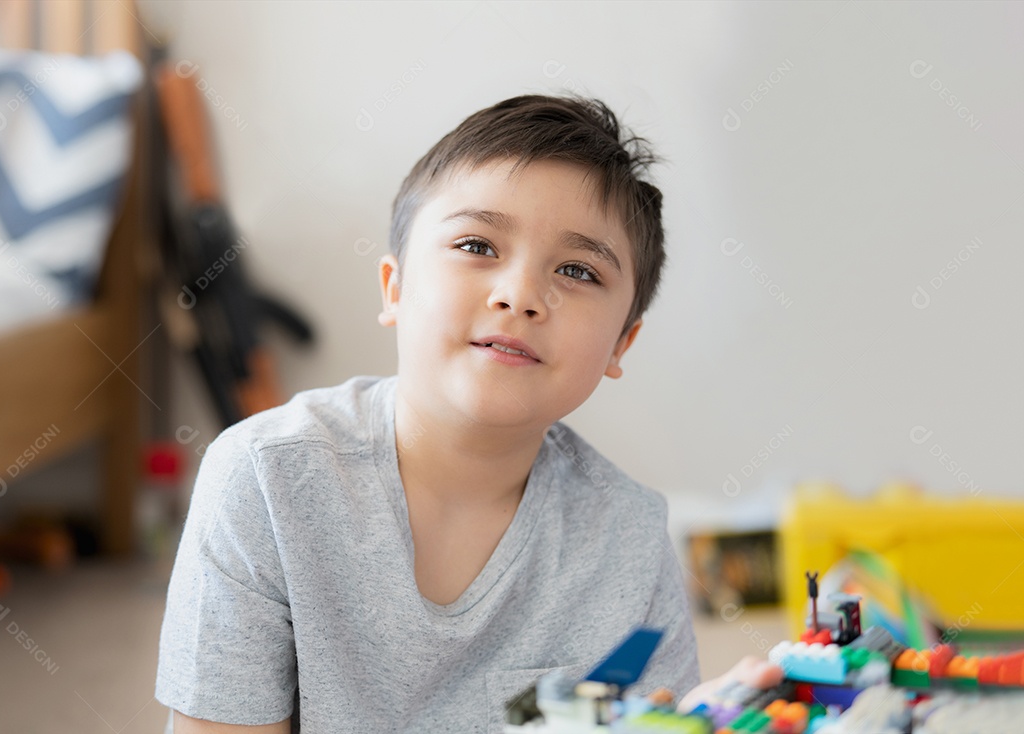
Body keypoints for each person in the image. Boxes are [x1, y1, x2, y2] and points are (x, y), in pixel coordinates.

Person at [155, 93, 772, 733]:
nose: (521, 295)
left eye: (577, 270)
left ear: (621, 344)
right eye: (478, 245)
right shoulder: (264, 480)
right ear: (394, 289)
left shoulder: (631, 540)